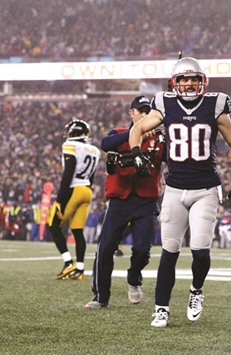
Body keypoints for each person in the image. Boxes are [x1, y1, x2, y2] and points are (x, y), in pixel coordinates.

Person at [128, 56, 231, 327]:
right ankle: (161, 308)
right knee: (169, 251)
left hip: (205, 188)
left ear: (202, 81)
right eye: (184, 79)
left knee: (200, 250)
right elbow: (138, 128)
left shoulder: (215, 105)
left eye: (194, 78)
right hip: (174, 188)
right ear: (176, 82)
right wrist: (136, 153)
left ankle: (196, 291)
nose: (190, 83)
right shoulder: (164, 104)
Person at [85, 96, 166, 309]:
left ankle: (133, 278)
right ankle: (100, 296)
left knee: (142, 248)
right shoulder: (119, 134)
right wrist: (136, 133)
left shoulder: (159, 139)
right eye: (140, 110)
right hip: (119, 199)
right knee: (106, 248)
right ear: (131, 113)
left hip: (145, 200)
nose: (144, 114)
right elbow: (105, 144)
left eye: (148, 111)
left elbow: (173, 157)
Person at [48, 119, 101, 280]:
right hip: (86, 191)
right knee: (77, 231)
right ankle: (80, 269)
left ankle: (68, 263)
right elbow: (91, 177)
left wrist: (59, 200)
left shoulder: (71, 146)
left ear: (72, 132)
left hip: (74, 189)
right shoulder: (94, 150)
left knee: (54, 225)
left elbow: (68, 174)